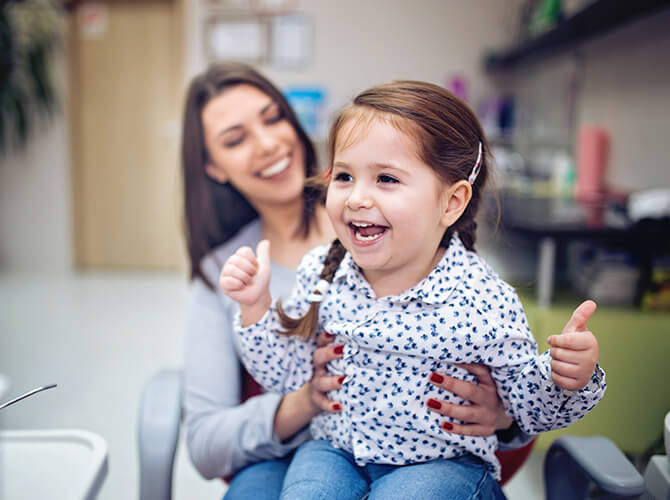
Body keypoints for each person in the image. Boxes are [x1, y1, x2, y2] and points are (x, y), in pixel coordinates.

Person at [220, 80, 607, 499]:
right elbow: (284, 374)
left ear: (451, 203)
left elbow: (527, 408)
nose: (356, 198)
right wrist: (256, 307)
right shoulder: (321, 273)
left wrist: (567, 376)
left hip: (445, 467)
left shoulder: (483, 299)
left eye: (386, 178)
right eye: (345, 176)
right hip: (334, 451)